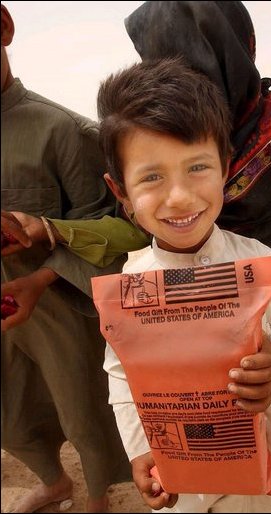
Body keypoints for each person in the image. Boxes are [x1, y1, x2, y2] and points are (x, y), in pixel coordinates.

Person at [95, 57, 271, 513]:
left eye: (197, 167)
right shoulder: (131, 287)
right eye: (151, 177)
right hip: (190, 467)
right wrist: (140, 450)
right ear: (120, 191)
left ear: (226, 167)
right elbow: (121, 372)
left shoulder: (263, 264)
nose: (180, 196)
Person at [7, 1, 271, 306]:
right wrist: (48, 228)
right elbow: (135, 228)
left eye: (195, 61)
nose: (179, 198)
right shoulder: (148, 140)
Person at [1, 5, 134, 512]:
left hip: (57, 302)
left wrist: (38, 278)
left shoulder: (62, 130)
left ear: (5, 27)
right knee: (11, 411)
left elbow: (110, 226)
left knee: (83, 412)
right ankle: (54, 483)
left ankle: (98, 497)